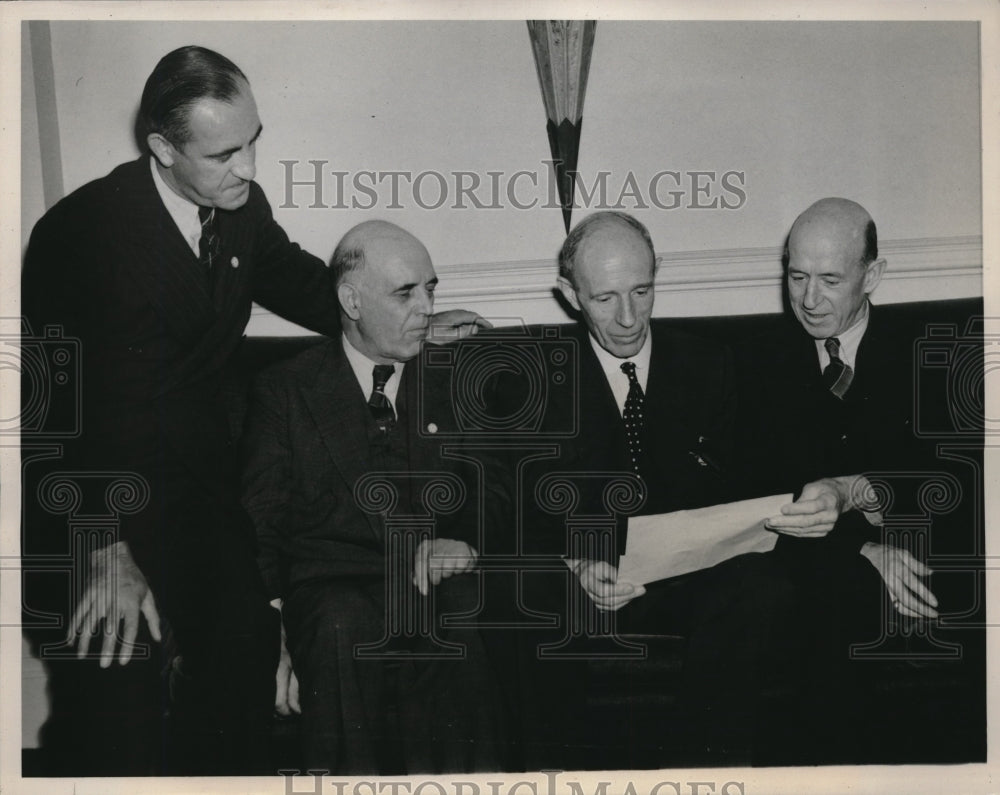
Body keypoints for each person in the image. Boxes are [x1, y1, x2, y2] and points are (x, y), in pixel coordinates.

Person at [20, 45, 484, 775]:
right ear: (162, 148)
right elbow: (59, 415)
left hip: (190, 495)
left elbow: (301, 281)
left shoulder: (238, 210)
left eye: (253, 142)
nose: (248, 169)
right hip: (91, 495)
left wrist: (411, 318)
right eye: (223, 153)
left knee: (242, 640)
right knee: (115, 665)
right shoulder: (80, 237)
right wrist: (106, 550)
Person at [487, 211, 849, 768]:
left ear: (659, 275)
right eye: (605, 298)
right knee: (525, 596)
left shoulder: (710, 364)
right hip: (585, 583)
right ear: (569, 294)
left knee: (764, 587)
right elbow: (508, 511)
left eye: (642, 290)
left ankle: (707, 773)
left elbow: (753, 485)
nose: (629, 317)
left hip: (692, 580)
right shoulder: (529, 379)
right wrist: (574, 565)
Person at [240, 220, 503, 774]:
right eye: (405, 292)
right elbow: (259, 522)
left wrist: (468, 542)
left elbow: (498, 489)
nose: (427, 308)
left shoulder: (458, 380)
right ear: (351, 300)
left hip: (431, 577)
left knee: (460, 614)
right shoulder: (285, 390)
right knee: (340, 623)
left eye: (430, 288)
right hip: (331, 587)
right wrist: (271, 634)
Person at [734, 197, 984, 763]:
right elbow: (758, 494)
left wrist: (865, 494)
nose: (808, 299)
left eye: (829, 279)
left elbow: (954, 479)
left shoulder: (934, 350)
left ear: (872, 276)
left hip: (934, 547)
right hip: (818, 563)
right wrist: (866, 547)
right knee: (832, 601)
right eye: (796, 276)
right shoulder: (754, 365)